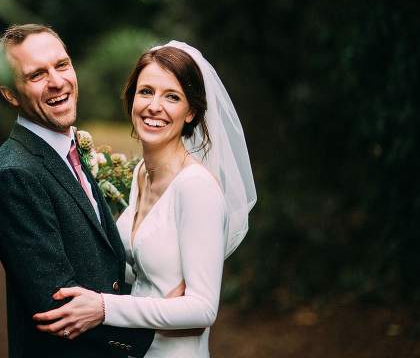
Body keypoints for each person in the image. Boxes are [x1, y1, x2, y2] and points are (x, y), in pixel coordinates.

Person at [33, 41, 257, 357]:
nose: (154, 106)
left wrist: (104, 307)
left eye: (172, 97)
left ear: (191, 111)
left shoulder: (196, 189)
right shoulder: (142, 172)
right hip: (134, 349)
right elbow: (141, 270)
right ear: (132, 98)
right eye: (146, 91)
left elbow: (203, 309)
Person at [0, 24, 156, 358]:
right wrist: (157, 331)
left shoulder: (65, 151)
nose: (57, 81)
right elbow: (58, 308)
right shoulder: (16, 174)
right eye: (36, 75)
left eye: (61, 65)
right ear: (10, 94)